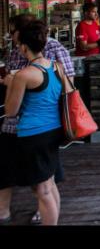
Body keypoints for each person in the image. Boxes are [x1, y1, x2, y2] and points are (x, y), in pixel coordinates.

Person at [1, 20, 63, 225]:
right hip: (54, 131)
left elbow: (11, 111)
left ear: (24, 46)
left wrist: (10, 83)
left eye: (18, 44)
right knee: (50, 184)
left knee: (43, 190)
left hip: (33, 135)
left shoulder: (24, 75)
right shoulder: (54, 66)